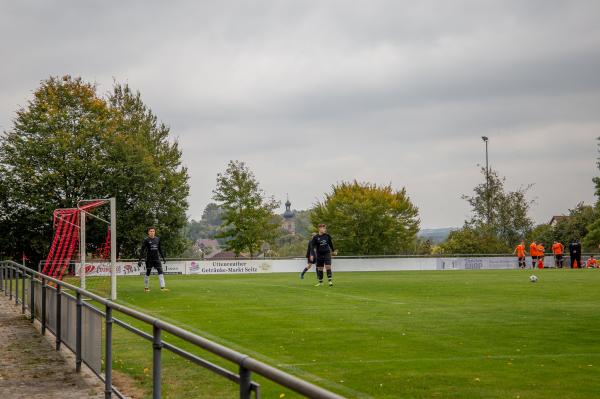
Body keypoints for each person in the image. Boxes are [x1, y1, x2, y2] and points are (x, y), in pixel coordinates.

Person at [138, 227, 168, 292]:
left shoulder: (157, 239)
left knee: (160, 272)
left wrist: (163, 258)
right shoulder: (146, 240)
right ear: (148, 232)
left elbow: (160, 249)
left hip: (157, 259)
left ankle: (162, 287)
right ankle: (146, 288)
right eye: (151, 231)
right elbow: (142, 250)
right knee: (148, 272)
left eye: (153, 231)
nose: (152, 232)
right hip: (149, 259)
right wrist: (140, 260)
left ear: (155, 232)